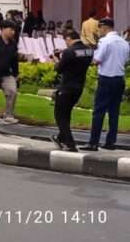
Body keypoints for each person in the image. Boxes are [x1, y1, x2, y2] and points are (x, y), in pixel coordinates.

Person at [80, 18, 130, 151]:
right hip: (119, 79)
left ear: (104, 27)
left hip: (106, 78)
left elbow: (96, 60)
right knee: (114, 112)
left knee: (99, 111)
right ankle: (110, 142)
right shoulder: (124, 42)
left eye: (99, 28)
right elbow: (126, 60)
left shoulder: (104, 41)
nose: (99, 31)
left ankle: (93, 143)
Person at [50, 30, 94, 152]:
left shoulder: (68, 52)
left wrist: (56, 59)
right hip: (79, 87)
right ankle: (61, 138)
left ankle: (70, 144)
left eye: (66, 40)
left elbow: (59, 68)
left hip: (66, 87)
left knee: (60, 116)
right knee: (66, 114)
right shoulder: (89, 50)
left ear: (69, 38)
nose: (66, 43)